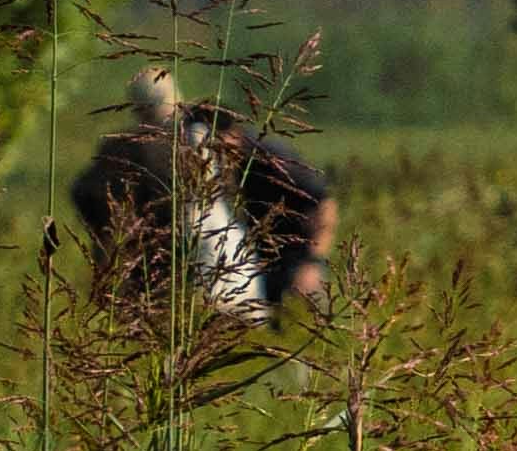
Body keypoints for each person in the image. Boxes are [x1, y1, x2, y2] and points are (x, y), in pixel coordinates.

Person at [66, 66, 334, 332]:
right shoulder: (129, 150)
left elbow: (320, 200)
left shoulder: (249, 149)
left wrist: (311, 263)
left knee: (281, 329)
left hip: (272, 260)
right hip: (209, 257)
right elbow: (90, 200)